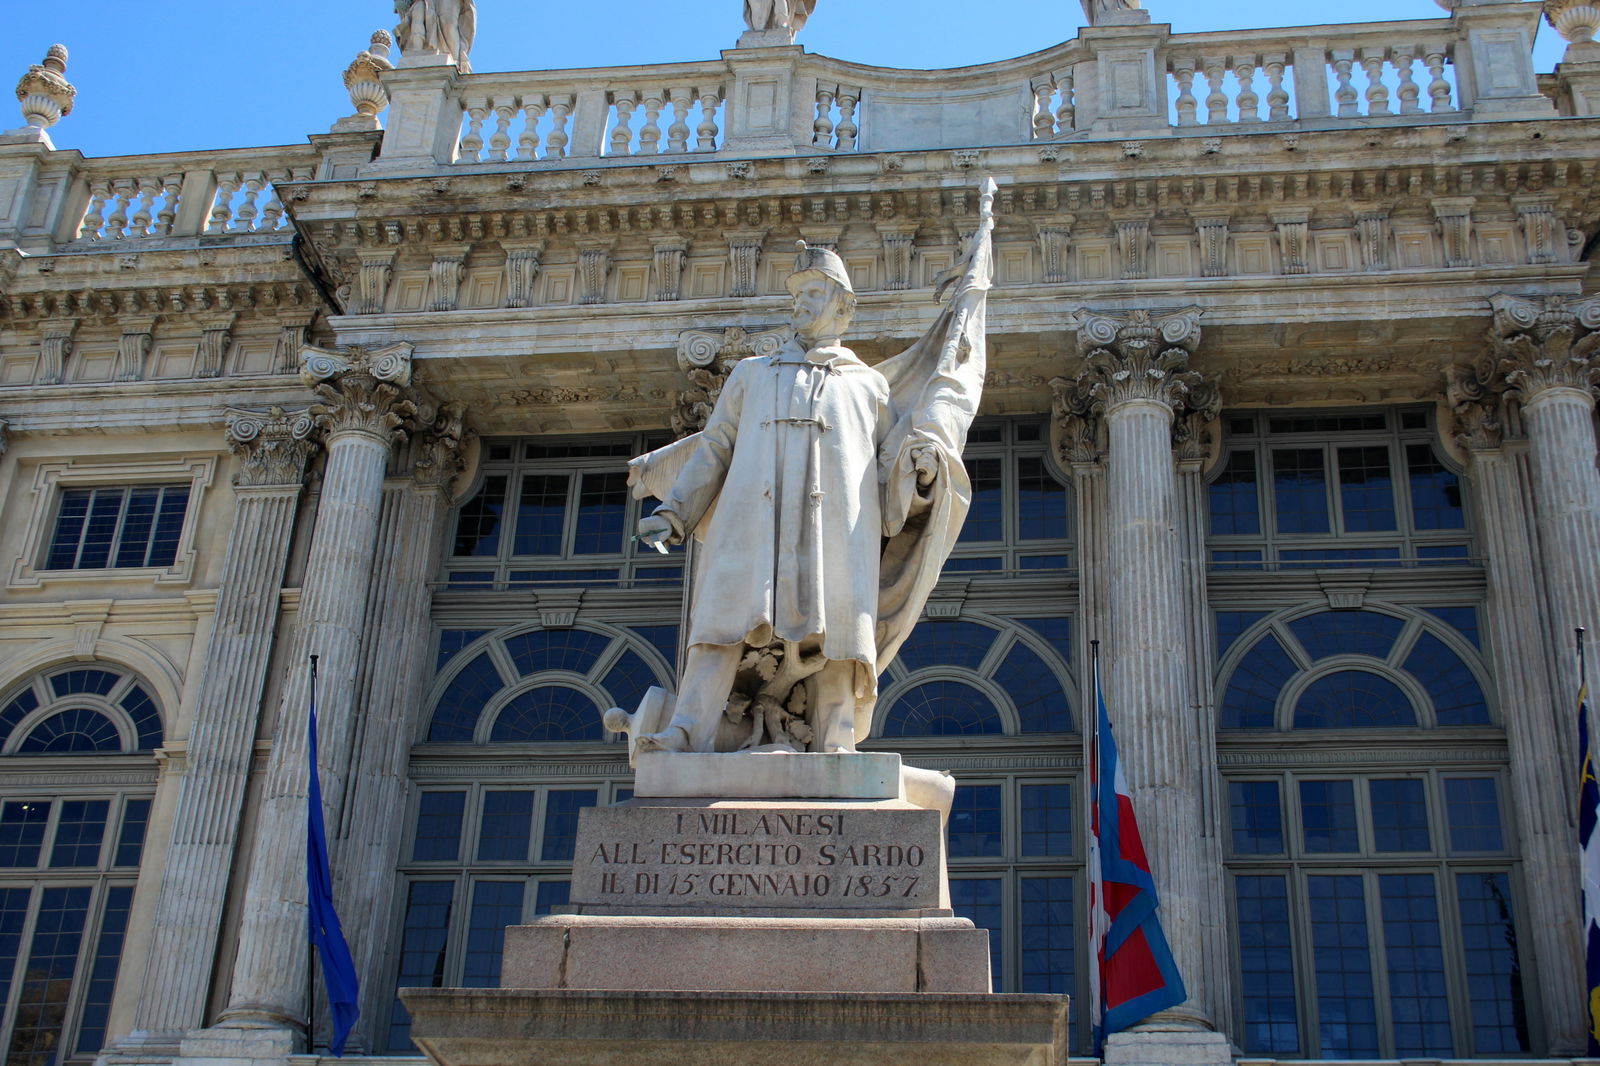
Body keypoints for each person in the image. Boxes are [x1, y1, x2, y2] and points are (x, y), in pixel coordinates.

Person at [628, 179, 995, 755]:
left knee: (839, 635)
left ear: (843, 307)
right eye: (796, 294)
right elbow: (716, 448)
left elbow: (886, 467)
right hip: (751, 523)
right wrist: (674, 513)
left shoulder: (868, 385)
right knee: (720, 624)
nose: (800, 304)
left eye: (814, 294)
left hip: (835, 528)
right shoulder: (751, 374)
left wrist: (919, 472)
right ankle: (686, 729)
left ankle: (837, 743)